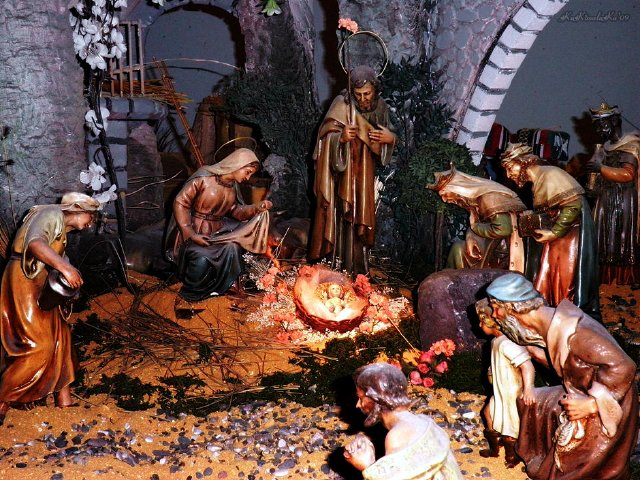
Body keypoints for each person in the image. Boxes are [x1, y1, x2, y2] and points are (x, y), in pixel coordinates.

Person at [484, 272, 638, 480]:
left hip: (609, 403)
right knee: (532, 403)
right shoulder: (550, 325)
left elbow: (624, 366)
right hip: (580, 390)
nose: (495, 315)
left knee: (572, 462)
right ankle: (538, 457)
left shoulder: (576, 334)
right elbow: (569, 364)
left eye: (497, 308)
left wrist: (592, 404)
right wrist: (534, 353)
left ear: (513, 308)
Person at [0, 192, 101, 426]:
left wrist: (70, 283)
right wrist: (66, 268)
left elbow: (57, 258)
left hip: (42, 283)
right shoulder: (51, 214)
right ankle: (3, 398)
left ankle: (63, 399)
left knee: (60, 338)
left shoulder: (61, 230)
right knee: (39, 345)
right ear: (77, 209)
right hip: (25, 279)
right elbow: (35, 244)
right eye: (91, 215)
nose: (92, 222)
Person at [308, 65, 396, 275]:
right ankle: (333, 265)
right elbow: (323, 138)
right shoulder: (341, 104)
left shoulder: (381, 107)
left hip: (364, 174)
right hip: (341, 175)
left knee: (360, 217)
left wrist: (390, 139)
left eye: (367, 93)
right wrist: (340, 138)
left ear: (375, 90)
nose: (363, 98)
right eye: (358, 94)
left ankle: (357, 269)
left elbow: (387, 137)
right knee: (340, 215)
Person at [500, 143, 599, 316]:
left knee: (565, 280)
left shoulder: (550, 175)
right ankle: (552, 312)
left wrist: (554, 232)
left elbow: (573, 205)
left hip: (569, 237)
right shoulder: (539, 180)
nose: (509, 175)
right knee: (549, 275)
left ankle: (568, 315)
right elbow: (551, 208)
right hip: (558, 238)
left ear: (523, 162)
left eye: (510, 168)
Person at [166, 148, 272, 301]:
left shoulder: (232, 186)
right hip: (195, 230)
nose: (248, 178)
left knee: (233, 248)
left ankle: (225, 287)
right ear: (237, 164)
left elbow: (236, 211)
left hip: (218, 232)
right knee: (202, 257)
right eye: (247, 172)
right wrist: (190, 233)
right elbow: (181, 202)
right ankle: (192, 292)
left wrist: (256, 207)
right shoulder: (203, 178)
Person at [344, 363, 463, 480]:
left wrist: (366, 466)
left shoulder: (395, 437)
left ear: (376, 398)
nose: (358, 405)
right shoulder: (423, 420)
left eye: (361, 398)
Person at [428, 165, 527, 271]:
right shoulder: (474, 201)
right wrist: (470, 236)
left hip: (504, 252)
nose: (444, 200)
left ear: (456, 188)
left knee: (458, 249)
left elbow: (502, 229)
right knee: (458, 248)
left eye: (444, 193)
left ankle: (460, 279)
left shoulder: (489, 198)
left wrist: (475, 227)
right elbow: (478, 224)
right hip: (491, 245)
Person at [475, 298, 535, 468]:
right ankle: (495, 447)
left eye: (482, 322)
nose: (479, 325)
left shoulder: (508, 344)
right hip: (500, 390)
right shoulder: (496, 342)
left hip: (511, 392)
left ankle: (512, 455)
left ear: (491, 322)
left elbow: (527, 366)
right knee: (488, 412)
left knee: (511, 423)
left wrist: (528, 389)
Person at [586, 102, 640, 285]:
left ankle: (623, 279)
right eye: (596, 126)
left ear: (615, 121)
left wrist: (601, 168)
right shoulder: (604, 148)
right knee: (604, 238)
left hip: (623, 199)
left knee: (620, 237)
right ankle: (605, 279)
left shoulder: (630, 145)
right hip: (606, 198)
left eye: (602, 125)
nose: (599, 130)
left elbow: (627, 174)